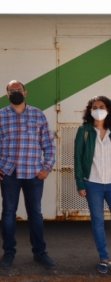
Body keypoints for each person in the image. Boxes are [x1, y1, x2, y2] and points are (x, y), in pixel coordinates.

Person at [0, 80, 56, 270]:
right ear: (7, 95)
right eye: (11, 91)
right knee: (9, 214)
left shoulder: (38, 115)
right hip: (9, 174)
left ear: (25, 92)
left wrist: (47, 167)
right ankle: (9, 253)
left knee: (35, 214)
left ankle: (40, 253)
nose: (15, 93)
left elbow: (49, 145)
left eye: (18, 90)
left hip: (34, 174)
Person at [74, 95, 111, 274]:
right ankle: (104, 258)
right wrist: (80, 182)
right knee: (98, 222)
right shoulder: (84, 131)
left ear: (108, 109)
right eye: (94, 107)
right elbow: (78, 158)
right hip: (93, 184)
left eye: (101, 106)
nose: (98, 109)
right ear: (90, 110)